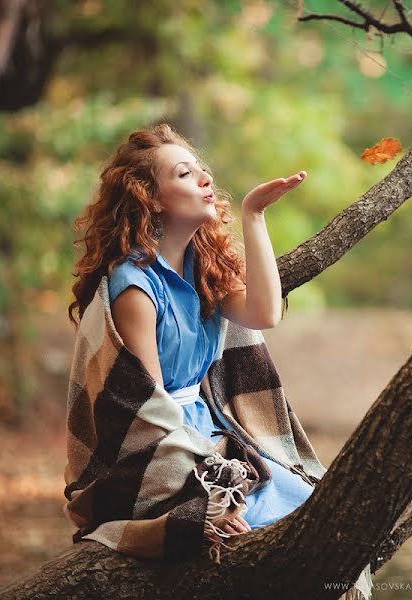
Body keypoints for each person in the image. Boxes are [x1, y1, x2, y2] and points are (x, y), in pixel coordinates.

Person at [68, 123, 311, 539]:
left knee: (310, 504)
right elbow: (148, 412)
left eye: (201, 169)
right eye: (184, 174)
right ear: (151, 199)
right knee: (259, 530)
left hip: (211, 431)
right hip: (152, 453)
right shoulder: (135, 286)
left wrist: (254, 214)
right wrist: (207, 498)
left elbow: (265, 312)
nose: (205, 178)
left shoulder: (205, 267)